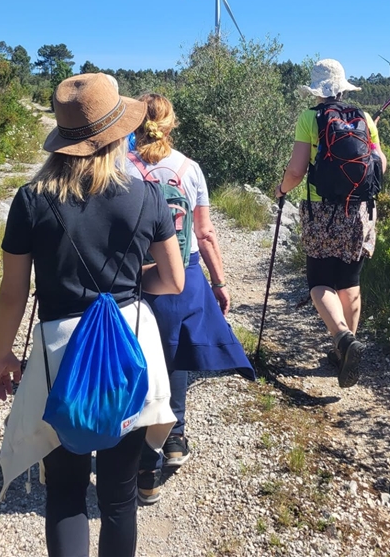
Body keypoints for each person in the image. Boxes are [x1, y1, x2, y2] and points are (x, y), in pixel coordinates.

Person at [0, 73, 185, 557]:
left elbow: (13, 293)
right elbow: (173, 280)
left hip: (60, 355)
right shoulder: (147, 195)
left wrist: (2, 356)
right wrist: (129, 286)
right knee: (118, 497)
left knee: (65, 491)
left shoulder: (31, 200)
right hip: (128, 347)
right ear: (118, 132)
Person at [125, 93, 256, 504]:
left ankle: (141, 461)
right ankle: (174, 439)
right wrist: (219, 281)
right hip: (183, 275)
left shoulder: (120, 167)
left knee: (138, 361)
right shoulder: (189, 168)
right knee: (176, 352)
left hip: (132, 279)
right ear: (171, 125)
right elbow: (205, 233)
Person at [274, 59, 387, 388]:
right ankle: (344, 353)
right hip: (360, 210)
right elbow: (381, 163)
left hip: (322, 211)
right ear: (342, 88)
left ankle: (343, 338)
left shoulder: (310, 118)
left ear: (317, 90)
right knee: (349, 280)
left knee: (320, 280)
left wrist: (281, 189)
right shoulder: (365, 118)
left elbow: (297, 170)